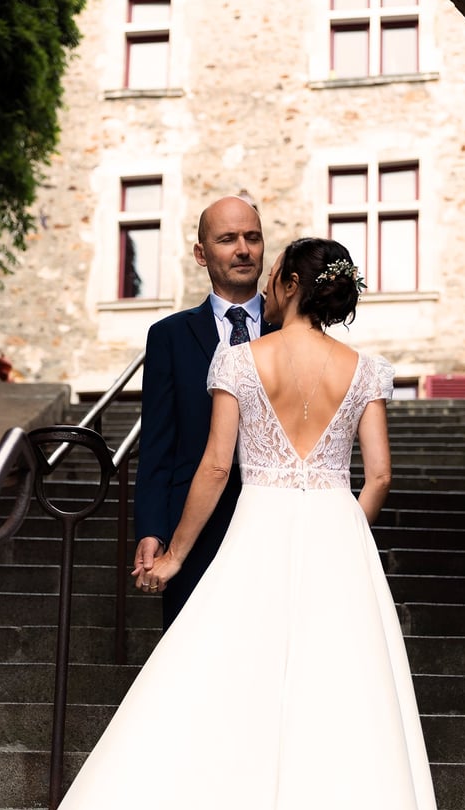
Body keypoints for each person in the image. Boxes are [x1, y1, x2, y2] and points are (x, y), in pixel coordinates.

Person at [28, 237, 464, 810]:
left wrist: (172, 555)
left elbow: (212, 468)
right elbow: (378, 474)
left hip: (258, 527)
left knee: (220, 684)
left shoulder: (238, 358)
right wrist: (343, 525)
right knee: (342, 699)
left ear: (288, 283)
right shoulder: (368, 369)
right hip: (335, 533)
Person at [133, 194, 278, 629]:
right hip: (190, 523)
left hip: (273, 518)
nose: (243, 250)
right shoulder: (169, 336)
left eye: (252, 237)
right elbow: (157, 443)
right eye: (228, 239)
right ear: (201, 253)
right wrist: (151, 529)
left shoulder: (290, 331)